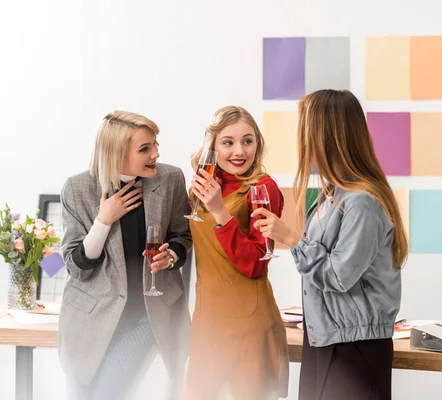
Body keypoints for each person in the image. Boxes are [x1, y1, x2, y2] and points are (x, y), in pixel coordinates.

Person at [252, 89, 408, 400]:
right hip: (326, 340)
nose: (300, 137)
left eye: (304, 128)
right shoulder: (335, 193)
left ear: (324, 135)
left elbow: (338, 276)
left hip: (353, 349)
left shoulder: (362, 202)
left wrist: (292, 238)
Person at [59, 111, 192, 400]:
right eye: (145, 148)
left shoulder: (170, 179)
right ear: (115, 152)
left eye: (155, 144)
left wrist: (171, 256)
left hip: (148, 315)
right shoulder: (78, 188)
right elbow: (75, 266)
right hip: (91, 322)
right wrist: (103, 221)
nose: (156, 153)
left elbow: (183, 235)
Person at [185, 105, 289, 399]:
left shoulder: (263, 188)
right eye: (227, 142)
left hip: (248, 324)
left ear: (258, 143)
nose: (239, 151)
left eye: (248, 140)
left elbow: (256, 263)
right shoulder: (201, 188)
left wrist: (220, 211)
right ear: (213, 146)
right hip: (207, 321)